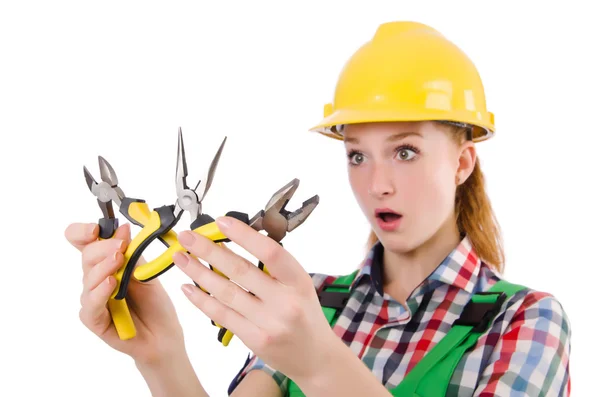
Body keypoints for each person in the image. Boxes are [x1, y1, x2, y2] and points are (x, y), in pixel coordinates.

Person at [65, 21, 571, 396]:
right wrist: (162, 357)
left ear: (462, 163)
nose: (378, 184)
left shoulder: (524, 322)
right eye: (357, 155)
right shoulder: (314, 301)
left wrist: (319, 363)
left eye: (405, 152)